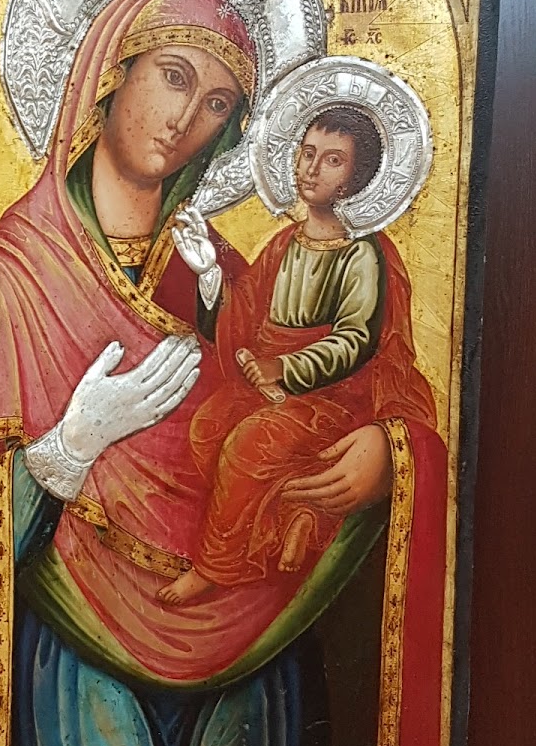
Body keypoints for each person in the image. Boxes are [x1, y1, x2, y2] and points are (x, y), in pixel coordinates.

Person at [0, 0, 447, 746]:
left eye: (218, 103)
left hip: (256, 645)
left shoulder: (230, 275)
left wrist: (388, 457)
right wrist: (65, 451)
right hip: (74, 652)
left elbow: (374, 386)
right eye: (174, 77)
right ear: (108, 77)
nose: (186, 118)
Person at [162, 103, 438, 603]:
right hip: (272, 387)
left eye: (332, 160)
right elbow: (245, 316)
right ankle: (298, 515)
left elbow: (354, 341)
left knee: (251, 445)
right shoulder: (284, 243)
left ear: (357, 177)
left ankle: (215, 567)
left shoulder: (362, 254)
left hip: (333, 399)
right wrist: (210, 277)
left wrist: (283, 367)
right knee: (206, 431)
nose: (311, 168)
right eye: (307, 153)